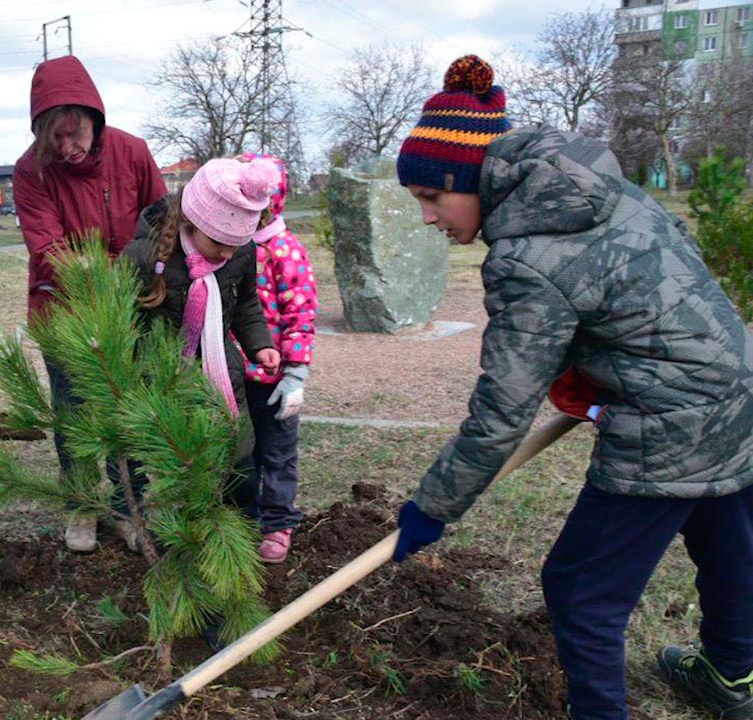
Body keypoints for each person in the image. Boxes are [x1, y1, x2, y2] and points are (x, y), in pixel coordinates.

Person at [390, 56, 753, 720]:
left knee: (580, 591)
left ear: (466, 179)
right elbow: (667, 285)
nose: (426, 218)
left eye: (430, 197)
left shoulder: (527, 257)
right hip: (737, 388)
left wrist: (432, 508)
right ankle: (731, 675)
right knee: (728, 544)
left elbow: (500, 413)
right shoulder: (599, 189)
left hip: (671, 418)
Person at [13, 54, 169, 552]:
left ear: (94, 118)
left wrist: (139, 277)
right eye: (54, 137)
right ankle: (81, 505)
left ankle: (130, 506)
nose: (67, 146)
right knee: (73, 411)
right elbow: (49, 246)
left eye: (75, 133)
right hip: (65, 311)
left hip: (135, 307)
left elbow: (162, 223)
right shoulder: (28, 170)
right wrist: (102, 277)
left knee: (130, 409)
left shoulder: (133, 152)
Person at [121, 157, 283, 519]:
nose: (227, 254)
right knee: (171, 485)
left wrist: (262, 345)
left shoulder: (240, 253)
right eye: (219, 243)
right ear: (192, 222)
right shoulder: (145, 258)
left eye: (235, 245)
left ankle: (236, 547)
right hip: (160, 389)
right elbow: (119, 327)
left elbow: (246, 306)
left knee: (238, 474)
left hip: (222, 381)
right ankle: (175, 550)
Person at [237, 153, 318, 565]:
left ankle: (278, 522)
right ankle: (244, 517)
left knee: (278, 456)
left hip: (277, 380)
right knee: (242, 453)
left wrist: (296, 373)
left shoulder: (284, 249)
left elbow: (300, 314)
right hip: (236, 379)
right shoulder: (232, 249)